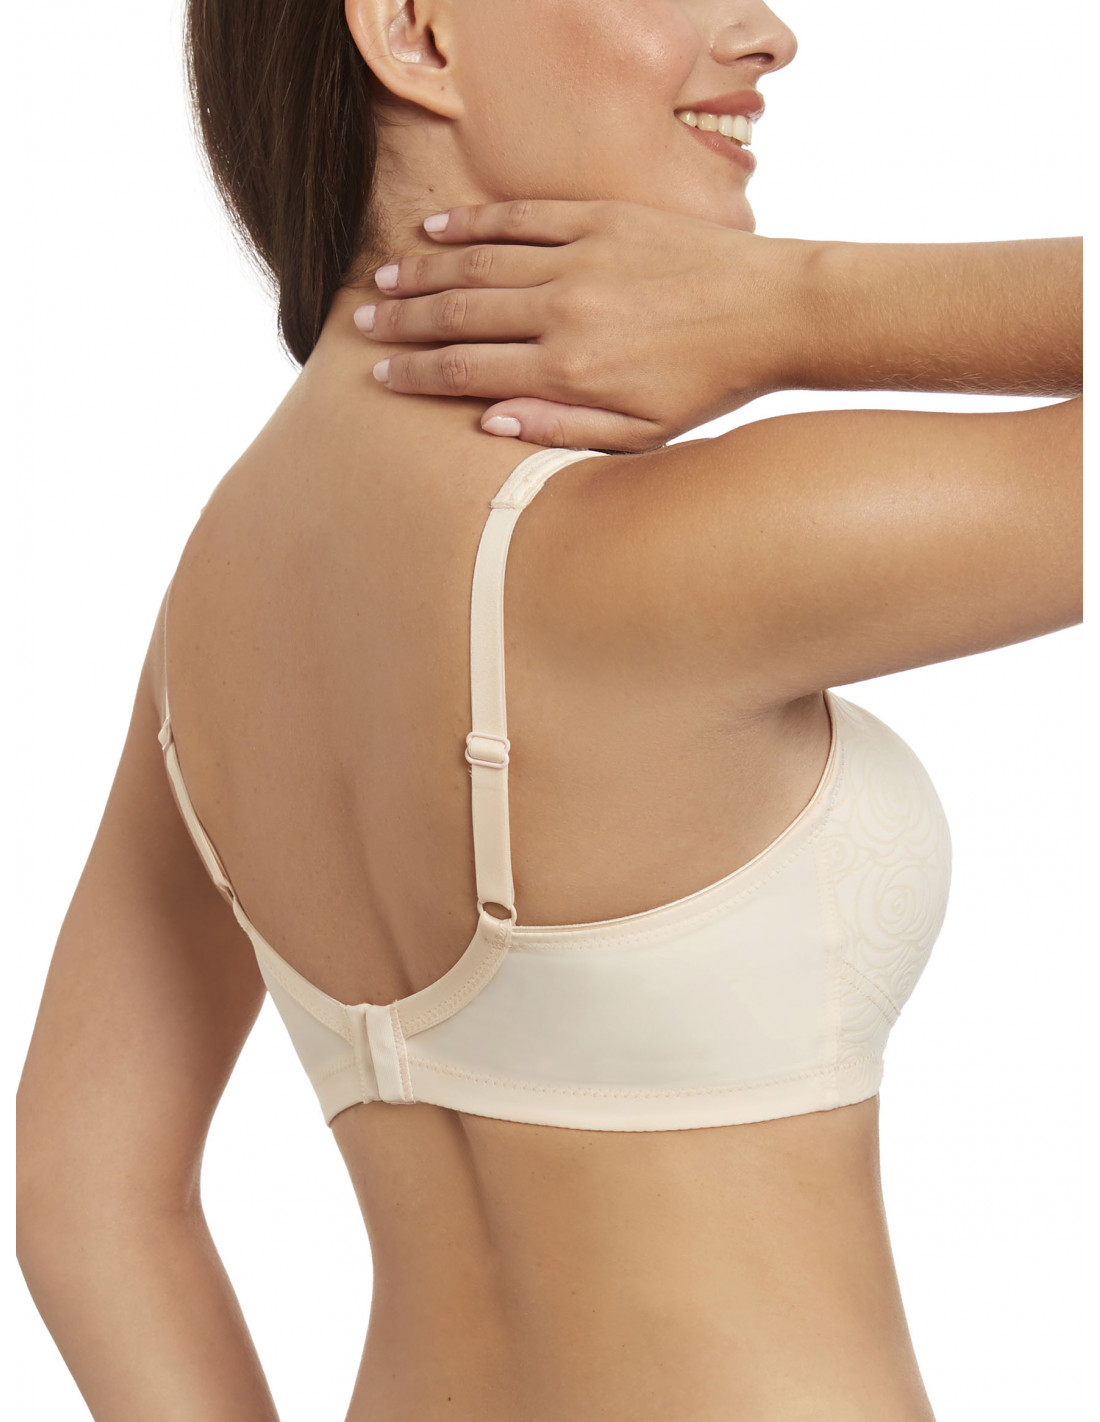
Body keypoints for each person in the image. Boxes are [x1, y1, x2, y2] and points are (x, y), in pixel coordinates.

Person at [16, 1, 1081, 1419]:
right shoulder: (655, 559)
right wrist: (802, 307)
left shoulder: (219, 591)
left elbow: (84, 1188)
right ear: (416, 31)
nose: (767, 32)